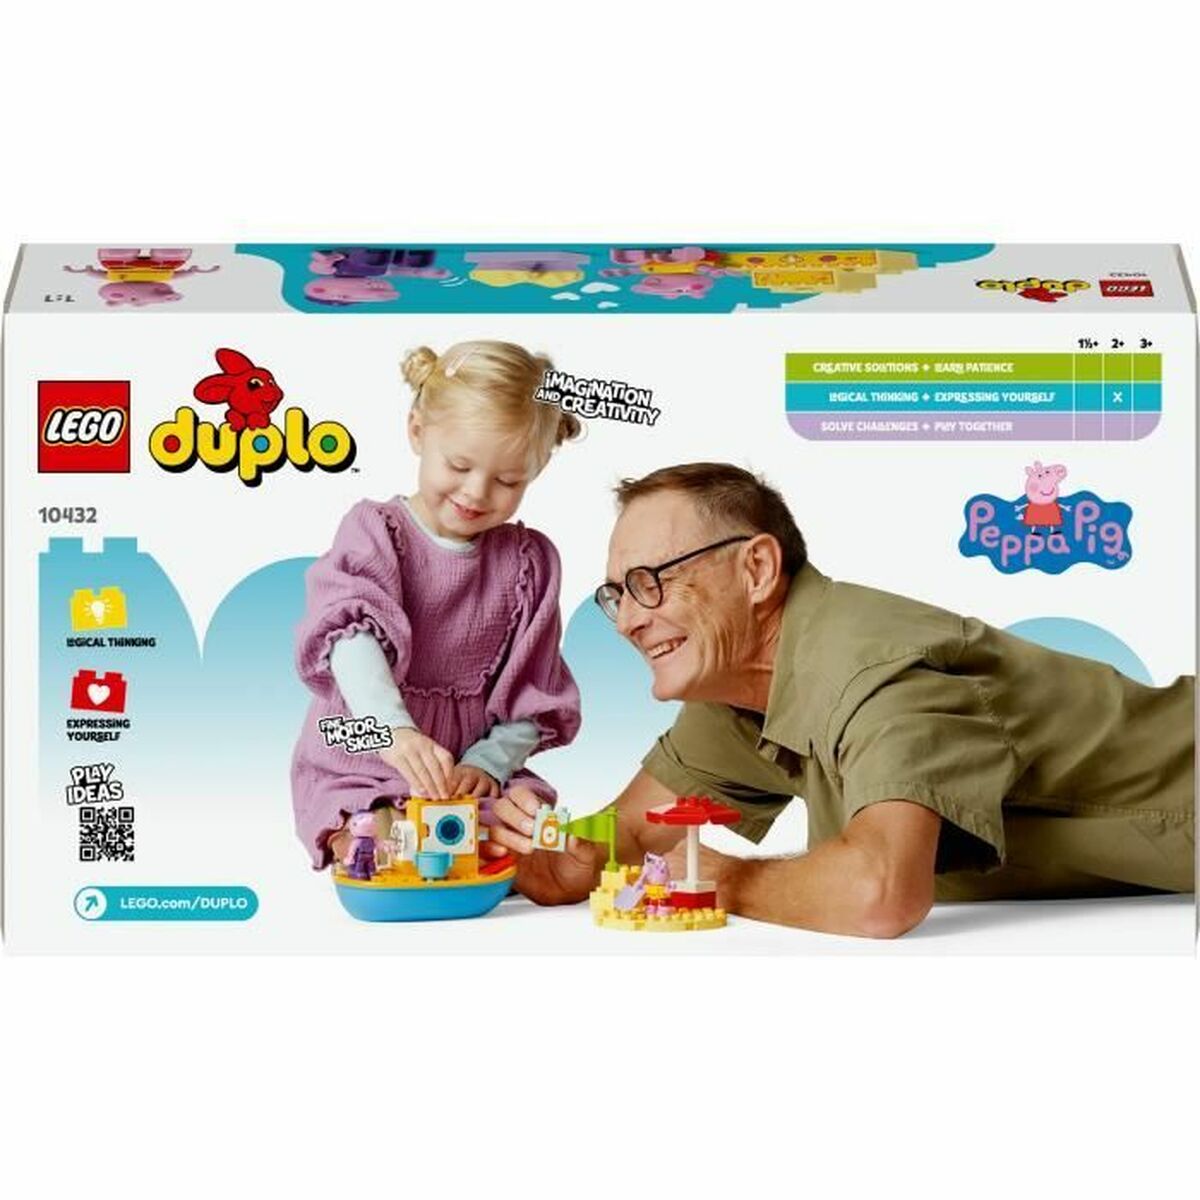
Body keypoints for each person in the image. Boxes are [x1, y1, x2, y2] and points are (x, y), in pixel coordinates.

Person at [489, 462, 1195, 937]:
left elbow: (878, 894)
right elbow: (633, 833)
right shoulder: (741, 686)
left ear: (757, 569)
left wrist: (725, 881)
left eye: (651, 582)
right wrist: (555, 857)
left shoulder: (878, 673)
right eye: (617, 594)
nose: (627, 621)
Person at [291, 340, 582, 870]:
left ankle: (480, 849)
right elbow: (349, 639)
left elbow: (532, 691)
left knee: (522, 822)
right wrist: (393, 731)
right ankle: (374, 842)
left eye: (508, 480)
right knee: (378, 835)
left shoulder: (531, 563)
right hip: (365, 747)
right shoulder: (375, 531)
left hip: (466, 769)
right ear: (418, 431)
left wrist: (488, 765)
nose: (477, 492)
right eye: (459, 465)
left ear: (535, 470)